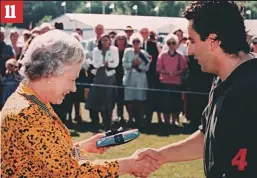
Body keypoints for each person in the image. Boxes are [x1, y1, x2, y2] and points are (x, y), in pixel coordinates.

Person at [1, 29, 160, 177]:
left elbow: (47, 157)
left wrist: (82, 148)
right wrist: (128, 165)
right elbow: (71, 173)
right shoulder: (28, 113)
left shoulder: (30, 100)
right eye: (71, 79)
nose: (73, 88)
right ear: (50, 72)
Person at [132, 1, 257, 178]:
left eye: (192, 40)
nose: (189, 50)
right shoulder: (221, 80)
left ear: (213, 41)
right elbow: (207, 136)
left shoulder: (251, 87)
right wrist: (161, 156)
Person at [86, 33, 119, 131]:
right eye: (103, 40)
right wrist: (101, 64)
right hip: (98, 75)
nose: (105, 42)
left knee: (108, 99)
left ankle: (107, 123)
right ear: (100, 41)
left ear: (110, 41)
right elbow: (95, 63)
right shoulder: (96, 50)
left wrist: (108, 64)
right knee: (95, 98)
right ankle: (95, 122)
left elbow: (116, 63)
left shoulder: (114, 50)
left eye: (107, 40)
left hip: (109, 76)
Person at [123, 33, 150, 128]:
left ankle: (141, 119)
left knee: (140, 99)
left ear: (141, 43)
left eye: (138, 41)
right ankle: (130, 119)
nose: (136, 43)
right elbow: (124, 64)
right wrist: (132, 64)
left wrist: (138, 65)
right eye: (134, 41)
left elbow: (147, 67)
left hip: (140, 79)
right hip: (129, 78)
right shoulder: (127, 52)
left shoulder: (144, 54)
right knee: (129, 99)